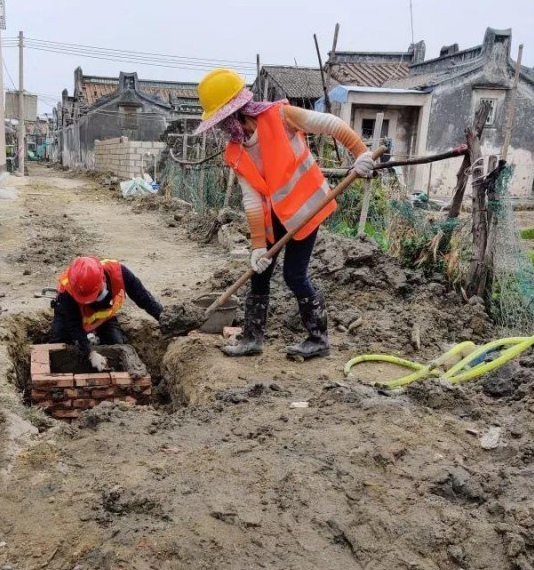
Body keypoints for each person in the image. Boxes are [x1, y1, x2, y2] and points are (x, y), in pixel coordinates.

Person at [194, 68, 377, 359]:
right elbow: (251, 198)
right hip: (274, 217)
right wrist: (257, 246)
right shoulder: (236, 150)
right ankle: (252, 339)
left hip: (307, 208)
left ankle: (318, 339)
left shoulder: (280, 116)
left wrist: (361, 153)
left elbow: (329, 123)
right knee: (259, 273)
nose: (221, 128)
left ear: (237, 113)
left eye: (222, 121)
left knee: (294, 274)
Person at [51, 256, 163, 371]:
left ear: (103, 279)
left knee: (116, 346)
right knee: (59, 350)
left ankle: (97, 339)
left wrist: (163, 318)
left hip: (103, 319)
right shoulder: (67, 290)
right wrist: (90, 353)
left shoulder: (118, 273)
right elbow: (73, 325)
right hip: (71, 318)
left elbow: (143, 298)